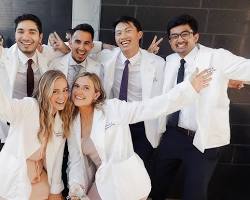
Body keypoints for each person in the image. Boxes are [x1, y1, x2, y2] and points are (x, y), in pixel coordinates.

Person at [67, 69, 211, 200]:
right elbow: (76, 160)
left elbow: (149, 107)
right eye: (77, 86)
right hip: (103, 179)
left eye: (86, 88)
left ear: (96, 95)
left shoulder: (112, 109)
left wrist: (188, 89)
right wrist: (75, 188)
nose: (79, 91)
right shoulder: (72, 122)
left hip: (128, 179)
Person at [152, 14, 250, 200]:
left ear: (196, 36)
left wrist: (224, 79)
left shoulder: (216, 57)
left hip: (202, 140)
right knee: (157, 186)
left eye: (184, 34)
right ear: (170, 40)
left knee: (194, 194)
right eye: (174, 36)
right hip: (172, 134)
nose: (179, 40)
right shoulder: (170, 61)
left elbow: (247, 68)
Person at [96, 16, 165, 180]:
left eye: (128, 31)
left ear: (139, 34)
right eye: (118, 33)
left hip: (142, 125)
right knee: (113, 170)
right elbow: (83, 48)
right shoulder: (106, 58)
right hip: (115, 123)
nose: (123, 36)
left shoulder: (157, 63)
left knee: (138, 173)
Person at [0, 70, 71, 199]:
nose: (62, 96)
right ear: (45, 91)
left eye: (65, 90)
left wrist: (55, 190)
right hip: (12, 180)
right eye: (55, 91)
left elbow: (57, 159)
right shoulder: (29, 107)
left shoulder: (61, 119)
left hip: (39, 181)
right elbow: (4, 108)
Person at [49, 23, 103, 89]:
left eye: (86, 43)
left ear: (92, 46)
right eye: (78, 42)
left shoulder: (98, 69)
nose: (81, 48)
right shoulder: (54, 65)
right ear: (70, 43)